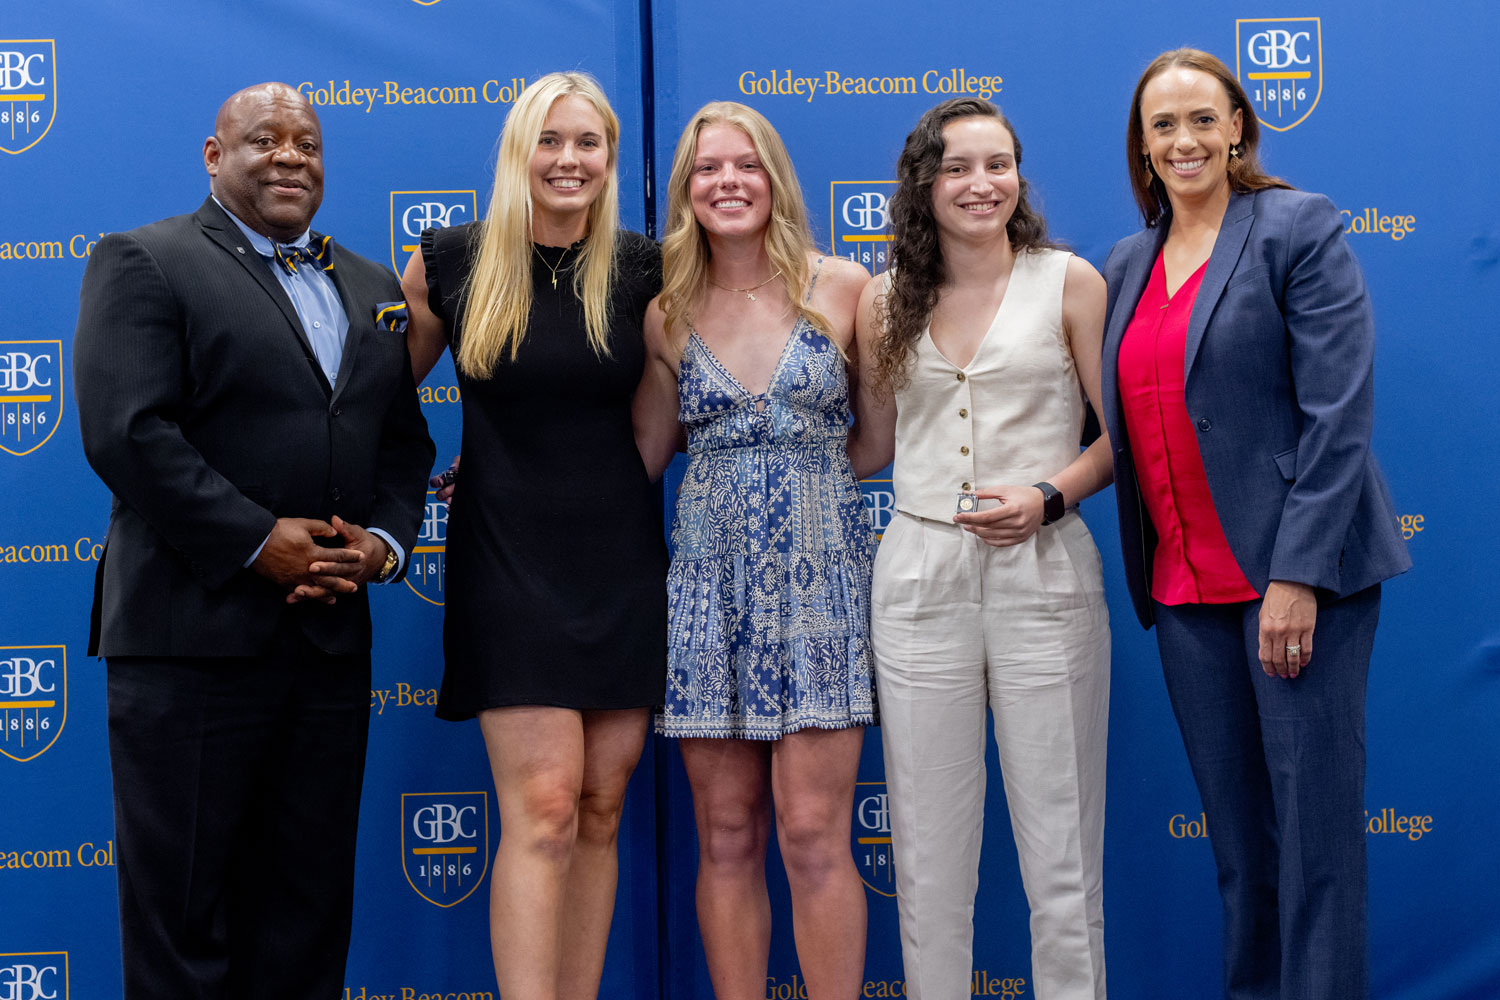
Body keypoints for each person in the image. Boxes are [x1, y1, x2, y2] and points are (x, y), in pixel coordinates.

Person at [72, 82, 434, 999]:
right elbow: (128, 432)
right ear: (212, 154)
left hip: (325, 652)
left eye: (306, 144)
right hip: (188, 646)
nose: (289, 158)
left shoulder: (372, 286)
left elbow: (403, 445)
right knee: (182, 917)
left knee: (307, 917)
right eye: (263, 140)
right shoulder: (145, 261)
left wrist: (383, 548)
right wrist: (254, 541)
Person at [1100, 49, 1411, 1000]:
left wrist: (1298, 577)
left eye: (1203, 118)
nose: (1184, 140)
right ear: (1142, 148)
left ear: (1240, 126)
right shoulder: (1126, 261)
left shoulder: (1295, 227)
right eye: (1164, 125)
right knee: (1239, 846)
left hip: (1298, 584)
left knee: (1315, 843)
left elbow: (1338, 414)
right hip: (1185, 588)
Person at [399, 72, 666, 999]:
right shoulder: (453, 260)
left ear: (610, 156)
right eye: (549, 141)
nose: (569, 160)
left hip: (621, 559)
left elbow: (659, 421)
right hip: (505, 560)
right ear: (519, 152)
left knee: (600, 807)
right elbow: (378, 405)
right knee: (546, 806)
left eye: (587, 143)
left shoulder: (646, 269)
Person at [848, 98, 1113, 1000]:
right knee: (926, 853)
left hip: (1047, 571)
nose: (980, 184)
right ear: (925, 183)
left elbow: (1120, 440)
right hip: (919, 575)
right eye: (959, 167)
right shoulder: (883, 297)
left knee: (1064, 851)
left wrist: (1049, 495)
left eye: (998, 165)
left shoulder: (1070, 281)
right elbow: (871, 445)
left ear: (1019, 177)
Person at [634, 101, 873, 1000]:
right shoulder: (664, 312)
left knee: (814, 834)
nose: (726, 182)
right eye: (706, 169)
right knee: (726, 834)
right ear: (685, 192)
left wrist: (796, 497)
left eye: (746, 165)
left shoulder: (846, 290)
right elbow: (645, 454)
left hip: (819, 591)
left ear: (775, 178)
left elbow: (878, 441)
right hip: (706, 592)